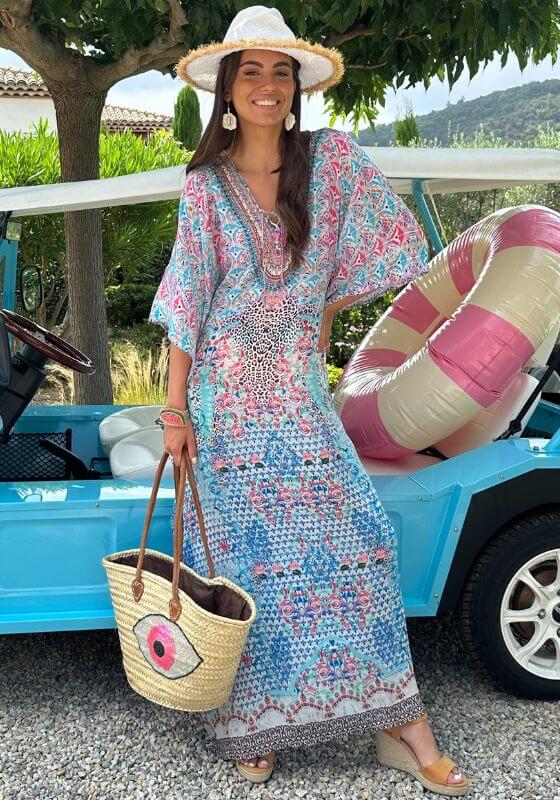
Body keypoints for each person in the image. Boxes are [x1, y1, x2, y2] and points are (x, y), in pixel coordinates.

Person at [149, 5, 469, 795]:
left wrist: (322, 316)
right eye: (251, 71)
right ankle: (253, 727)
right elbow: (187, 303)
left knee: (364, 538)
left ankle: (401, 724)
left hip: (297, 397)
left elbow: (392, 242)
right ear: (228, 88)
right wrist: (176, 410)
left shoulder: (331, 162)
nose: (268, 85)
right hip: (226, 406)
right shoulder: (205, 187)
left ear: (296, 86)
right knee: (245, 567)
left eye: (281, 72)